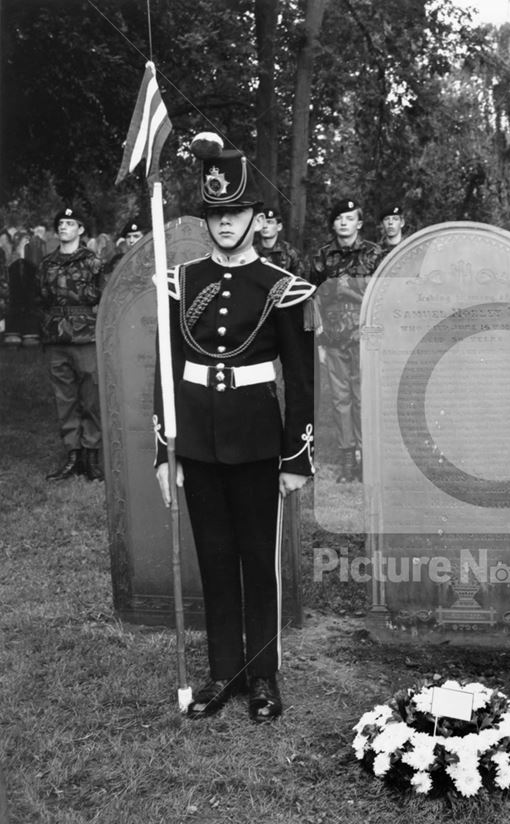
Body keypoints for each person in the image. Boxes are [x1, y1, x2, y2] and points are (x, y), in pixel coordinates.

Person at [153, 132, 316, 722]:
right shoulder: (181, 281)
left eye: (236, 212)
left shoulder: (281, 288)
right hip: (195, 439)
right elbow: (167, 370)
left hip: (255, 441)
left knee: (257, 560)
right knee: (214, 558)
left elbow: (301, 380)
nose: (225, 223)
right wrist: (163, 449)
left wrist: (298, 457)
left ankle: (264, 677)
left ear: (254, 217)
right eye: (216, 213)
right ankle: (224, 671)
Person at [311, 197, 384, 483]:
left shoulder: (374, 254)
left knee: (363, 398)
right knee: (340, 399)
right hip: (333, 338)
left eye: (349, 218)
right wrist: (318, 340)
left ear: (359, 223)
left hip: (364, 338)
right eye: (339, 218)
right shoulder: (323, 256)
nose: (344, 223)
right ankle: (346, 461)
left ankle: (366, 459)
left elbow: (382, 297)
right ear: (333, 223)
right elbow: (311, 297)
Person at [38, 205, 106, 481]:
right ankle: (73, 455)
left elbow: (103, 296)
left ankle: (91, 456)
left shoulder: (93, 262)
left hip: (86, 334)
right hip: (57, 336)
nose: (64, 227)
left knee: (90, 397)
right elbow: (42, 296)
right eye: (61, 223)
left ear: (80, 229)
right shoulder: (47, 264)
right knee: (64, 398)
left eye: (70, 223)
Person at [254, 207, 305, 279]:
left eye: (269, 222)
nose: (265, 226)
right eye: (262, 222)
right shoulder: (251, 252)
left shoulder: (290, 253)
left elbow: (300, 283)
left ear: (279, 227)